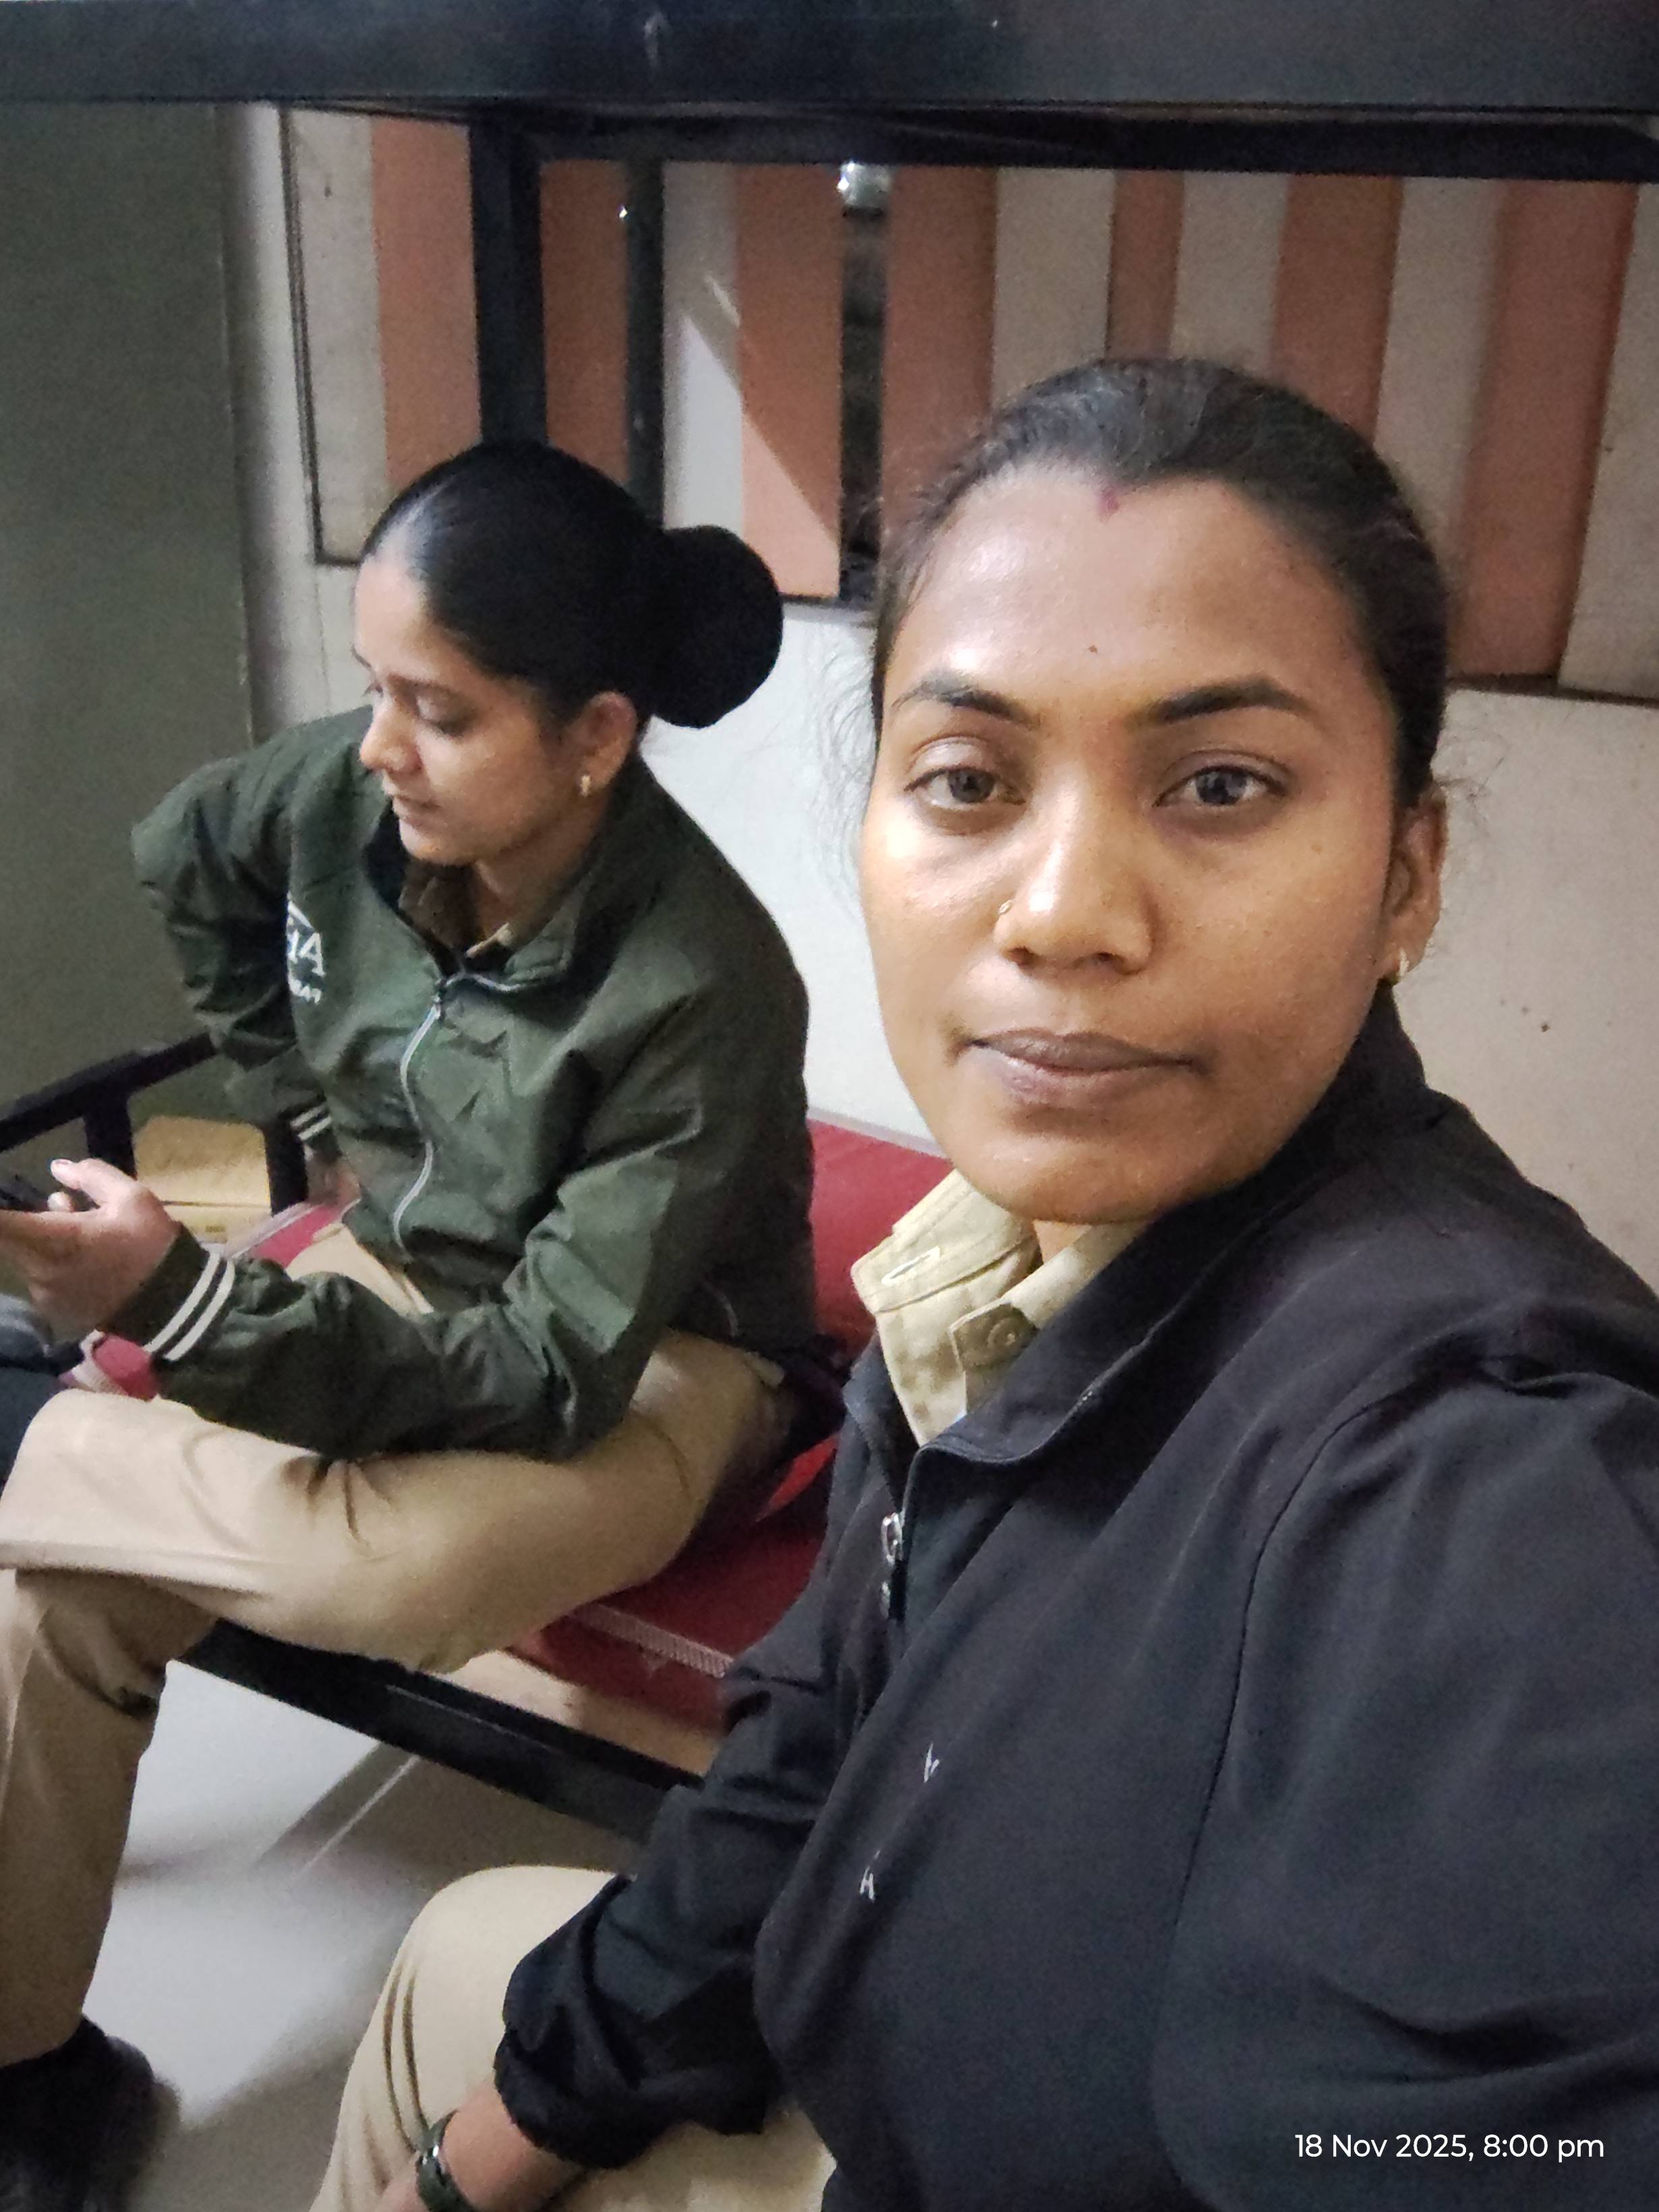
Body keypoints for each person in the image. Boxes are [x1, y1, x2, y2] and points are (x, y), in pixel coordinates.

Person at [314, 359, 1659, 2212]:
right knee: (444, 1981)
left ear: (1403, 878)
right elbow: (812, 1757)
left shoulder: (1481, 1480)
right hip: (864, 2050)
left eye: (1220, 785)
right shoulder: (991, 1276)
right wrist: (491, 2152)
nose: (1062, 914)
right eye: (967, 780)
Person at [0, 442, 818, 2212]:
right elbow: (192, 852)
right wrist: (312, 1103)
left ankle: (30, 1439)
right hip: (411, 1258)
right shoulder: (349, 796)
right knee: (50, 1591)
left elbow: (546, 1372)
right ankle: (24, 2073)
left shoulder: (704, 982)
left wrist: (181, 1303)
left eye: (438, 712)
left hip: (664, 1358)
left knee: (403, 1571)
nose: (379, 746)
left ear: (596, 738)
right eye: (376, 689)